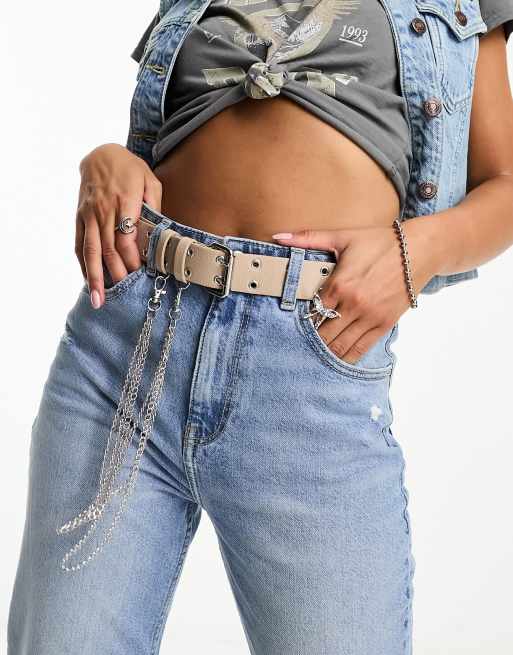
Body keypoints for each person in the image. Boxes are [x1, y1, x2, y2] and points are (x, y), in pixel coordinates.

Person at [7, 0, 513, 653]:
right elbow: (174, 132)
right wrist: (105, 161)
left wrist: (416, 252)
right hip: (123, 349)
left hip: (311, 370)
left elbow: (504, 184)